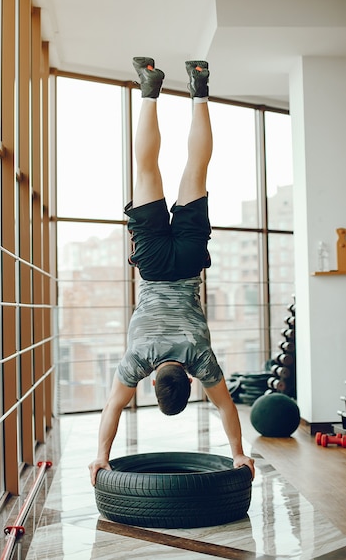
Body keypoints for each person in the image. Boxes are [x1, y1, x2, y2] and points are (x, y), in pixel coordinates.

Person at [88, 57, 255, 485]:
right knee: (147, 171)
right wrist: (100, 458)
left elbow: (226, 407)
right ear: (154, 383)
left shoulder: (201, 360)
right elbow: (112, 407)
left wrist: (240, 454)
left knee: (195, 171)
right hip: (152, 265)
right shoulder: (135, 361)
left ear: (187, 380)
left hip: (186, 265)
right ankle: (149, 89)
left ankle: (199, 90)